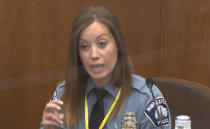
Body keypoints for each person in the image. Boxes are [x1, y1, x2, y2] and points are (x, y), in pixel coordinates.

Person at [40, 5, 171, 129]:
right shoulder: (64, 94)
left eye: (102, 44)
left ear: (118, 45)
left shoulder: (146, 99)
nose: (94, 55)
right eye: (84, 47)